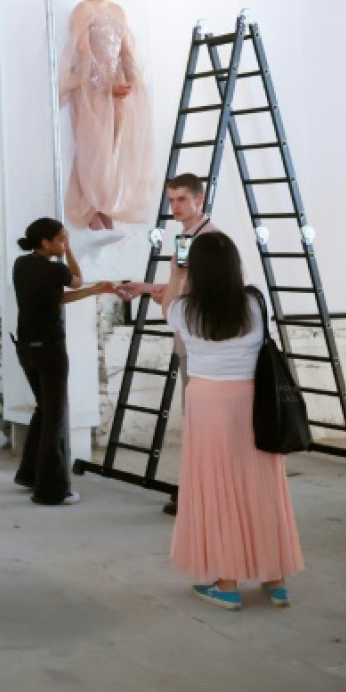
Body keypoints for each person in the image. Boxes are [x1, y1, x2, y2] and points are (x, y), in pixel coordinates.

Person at [163, 232, 304, 610]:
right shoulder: (256, 301)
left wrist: (177, 274)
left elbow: (168, 311)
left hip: (207, 402)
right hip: (252, 401)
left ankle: (226, 584)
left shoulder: (183, 309)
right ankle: (276, 581)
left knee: (216, 487)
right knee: (261, 485)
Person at [116, 173, 219, 516]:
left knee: (204, 421)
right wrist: (146, 288)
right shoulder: (188, 238)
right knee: (197, 419)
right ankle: (195, 490)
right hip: (191, 340)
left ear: (199, 200)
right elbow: (181, 287)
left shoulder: (207, 239)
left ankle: (201, 493)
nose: (174, 207)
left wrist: (166, 302)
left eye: (181, 200)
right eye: (171, 200)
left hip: (202, 344)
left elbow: (190, 295)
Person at [11, 218, 115, 506]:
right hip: (49, 350)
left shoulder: (21, 265)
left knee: (44, 410)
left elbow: (56, 299)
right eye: (60, 239)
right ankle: (51, 490)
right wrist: (71, 253)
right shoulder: (56, 268)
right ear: (46, 242)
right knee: (55, 417)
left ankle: (29, 474)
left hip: (25, 348)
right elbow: (76, 279)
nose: (63, 243)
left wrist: (95, 291)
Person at [61, 0, 157, 232]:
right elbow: (84, 54)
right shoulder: (83, 10)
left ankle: (104, 203)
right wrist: (105, 85)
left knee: (113, 147)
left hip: (116, 90)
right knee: (94, 147)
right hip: (91, 89)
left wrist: (133, 81)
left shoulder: (117, 11)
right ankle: (89, 206)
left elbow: (126, 51)